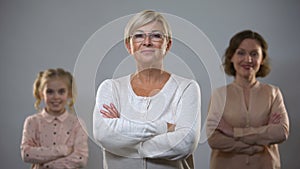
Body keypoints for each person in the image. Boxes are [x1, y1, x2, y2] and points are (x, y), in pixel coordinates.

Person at [93, 10, 201, 169]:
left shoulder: (186, 88)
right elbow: (104, 134)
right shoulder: (110, 88)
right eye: (139, 36)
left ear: (168, 45)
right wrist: (164, 128)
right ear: (129, 46)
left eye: (156, 35)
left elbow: (185, 143)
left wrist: (126, 138)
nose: (147, 42)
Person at [206, 30, 290, 169]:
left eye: (254, 54)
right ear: (231, 57)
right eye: (241, 53)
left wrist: (233, 132)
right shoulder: (219, 95)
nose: (248, 59)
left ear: (262, 59)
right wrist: (257, 145)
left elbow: (281, 132)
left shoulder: (273, 93)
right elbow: (214, 140)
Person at [20, 68, 89, 169]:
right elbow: (26, 154)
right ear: (41, 93)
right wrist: (64, 150)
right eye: (50, 92)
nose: (56, 97)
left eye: (61, 92)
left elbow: (80, 159)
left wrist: (46, 165)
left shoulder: (77, 123)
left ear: (69, 93)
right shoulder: (32, 122)